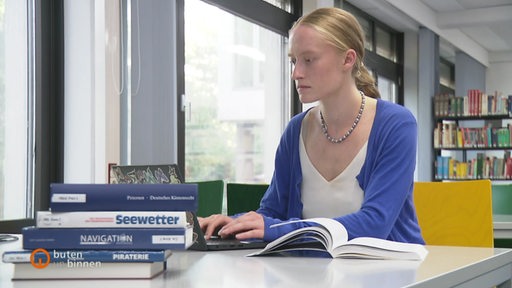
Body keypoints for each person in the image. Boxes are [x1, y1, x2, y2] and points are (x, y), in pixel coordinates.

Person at [199, 7, 424, 245]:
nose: (296, 73)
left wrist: (277, 229)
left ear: (348, 59)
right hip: (317, 272)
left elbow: (375, 224)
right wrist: (231, 224)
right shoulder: (296, 130)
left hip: (393, 274)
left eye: (308, 60)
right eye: (294, 61)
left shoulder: (395, 124)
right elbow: (272, 213)